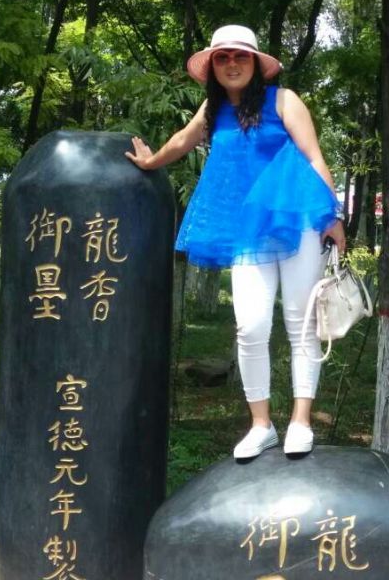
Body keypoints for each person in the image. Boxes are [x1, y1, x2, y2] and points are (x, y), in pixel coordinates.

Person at [125, 25, 345, 459]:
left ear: (256, 63)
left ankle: (301, 421)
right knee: (250, 325)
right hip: (247, 229)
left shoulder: (284, 100)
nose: (231, 64)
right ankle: (261, 424)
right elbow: (184, 140)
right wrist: (152, 162)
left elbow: (314, 156)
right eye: (222, 57)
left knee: (300, 323)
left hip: (299, 219)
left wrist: (334, 215)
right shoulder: (214, 108)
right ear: (212, 67)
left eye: (240, 56)